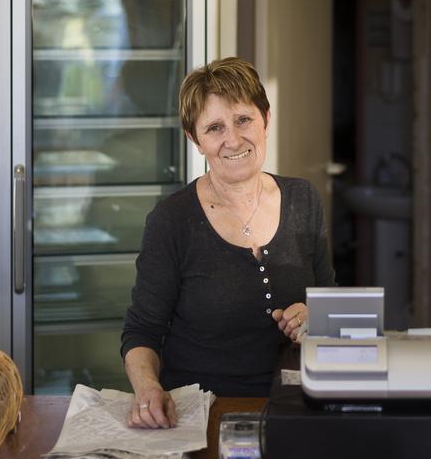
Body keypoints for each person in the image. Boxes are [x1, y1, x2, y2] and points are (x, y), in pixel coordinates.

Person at [121, 57, 335, 427]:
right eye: (215, 128)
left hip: (297, 407)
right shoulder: (172, 220)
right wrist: (148, 388)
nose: (233, 140)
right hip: (199, 415)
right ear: (195, 139)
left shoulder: (304, 199)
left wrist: (316, 316)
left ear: (266, 119)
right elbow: (143, 329)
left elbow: (331, 301)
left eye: (243, 120)